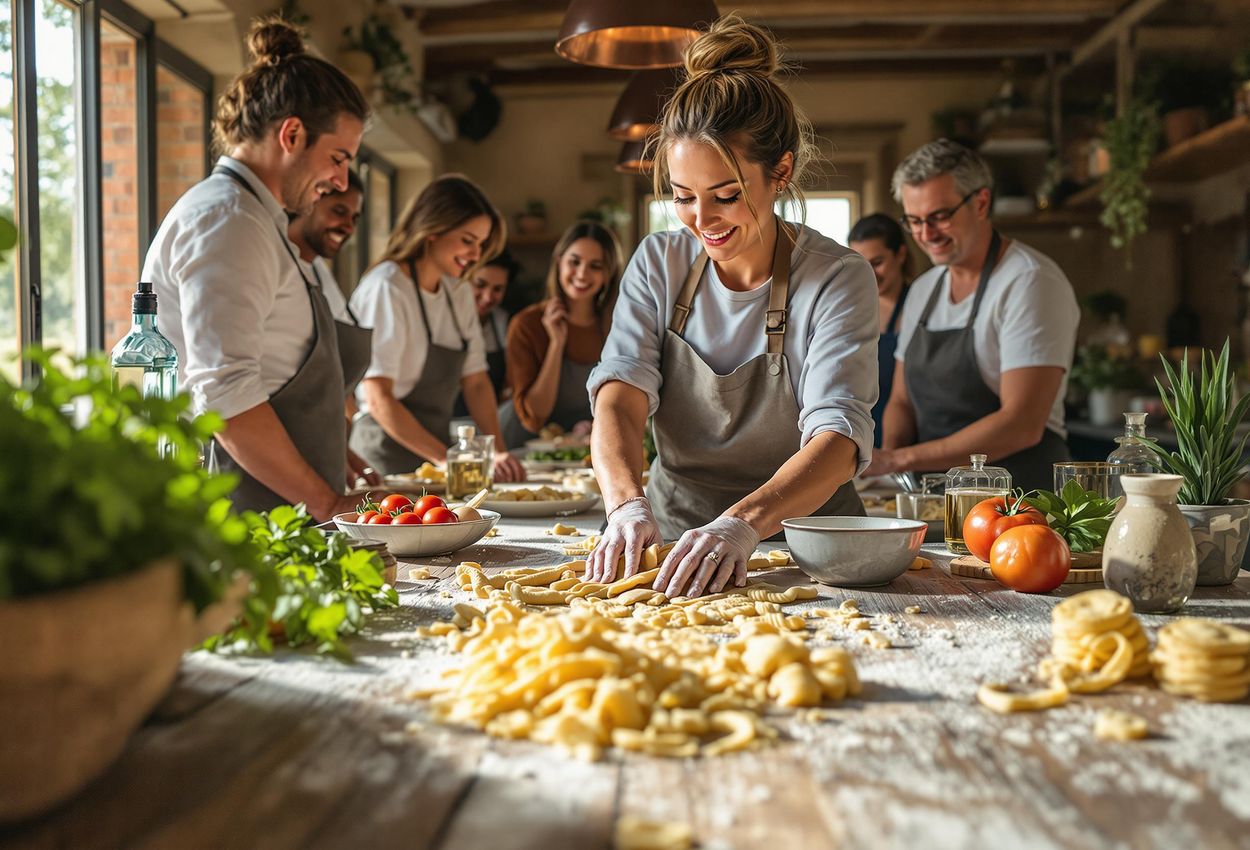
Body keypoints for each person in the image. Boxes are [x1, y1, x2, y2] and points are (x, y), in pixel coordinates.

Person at [585, 16, 878, 599]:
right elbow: (619, 395)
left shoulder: (838, 277)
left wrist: (742, 524)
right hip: (670, 539)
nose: (702, 220)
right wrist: (623, 505)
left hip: (811, 550)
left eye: (726, 196)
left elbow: (838, 437)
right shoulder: (659, 262)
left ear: (781, 173)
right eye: (683, 198)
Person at [142, 16, 369, 520]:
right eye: (338, 158)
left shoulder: (259, 219)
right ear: (291, 134)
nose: (339, 180)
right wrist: (328, 501)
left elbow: (276, 369)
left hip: (282, 507)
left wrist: (334, 457)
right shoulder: (229, 221)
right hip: (244, 515)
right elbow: (226, 393)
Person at [865, 139, 1079, 490]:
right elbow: (902, 401)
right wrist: (893, 475)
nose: (926, 234)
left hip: (1020, 499)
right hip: (937, 498)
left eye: (939, 217)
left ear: (981, 203)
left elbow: (1021, 423)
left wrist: (899, 459)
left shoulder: (1029, 282)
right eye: (914, 221)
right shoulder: (923, 289)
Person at [348, 174, 526, 482]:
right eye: (467, 241)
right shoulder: (388, 287)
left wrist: (496, 450)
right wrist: (447, 460)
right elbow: (377, 396)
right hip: (382, 463)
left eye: (481, 244)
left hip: (434, 461)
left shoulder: (457, 291)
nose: (475, 255)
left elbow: (477, 382)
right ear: (432, 230)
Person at [287, 169, 379, 486]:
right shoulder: (279, 269)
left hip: (322, 465)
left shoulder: (320, 274)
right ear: (309, 200)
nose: (349, 226)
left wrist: (341, 452)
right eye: (339, 211)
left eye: (355, 217)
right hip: (282, 471)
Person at [498, 220, 624, 448]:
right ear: (559, 263)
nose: (582, 274)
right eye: (574, 262)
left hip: (584, 451)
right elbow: (533, 417)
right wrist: (556, 344)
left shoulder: (619, 327)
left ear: (609, 274)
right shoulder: (526, 325)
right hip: (522, 452)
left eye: (595, 266)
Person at [848, 213, 911, 448]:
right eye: (862, 263)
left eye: (877, 262)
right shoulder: (849, 310)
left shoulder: (919, 306)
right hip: (858, 440)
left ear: (901, 255)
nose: (869, 273)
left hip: (908, 443)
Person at [453, 248, 518, 417]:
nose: (488, 297)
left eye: (497, 289)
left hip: (490, 420)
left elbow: (509, 382)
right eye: (480, 285)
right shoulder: (445, 320)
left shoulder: (502, 322)